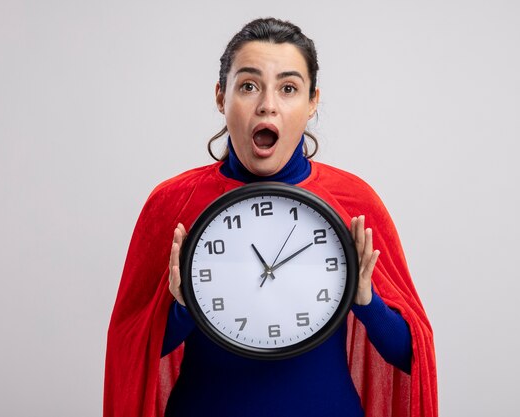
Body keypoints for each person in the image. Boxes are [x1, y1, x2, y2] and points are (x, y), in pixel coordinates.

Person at [104, 18, 437, 417]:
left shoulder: (354, 202)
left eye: (289, 88)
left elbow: (409, 356)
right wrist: (183, 306)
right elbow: (133, 355)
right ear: (220, 97)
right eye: (248, 86)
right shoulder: (172, 204)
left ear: (313, 102)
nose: (267, 104)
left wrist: (366, 301)